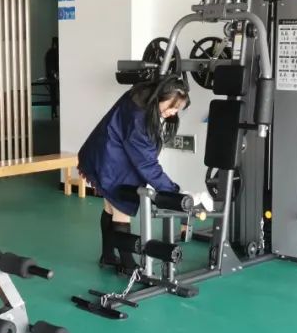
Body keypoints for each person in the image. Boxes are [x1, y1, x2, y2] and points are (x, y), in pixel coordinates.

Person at [78, 76, 195, 273]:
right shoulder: (139, 119)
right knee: (121, 208)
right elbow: (147, 163)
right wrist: (173, 191)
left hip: (103, 151)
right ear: (161, 96)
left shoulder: (142, 95)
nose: (173, 113)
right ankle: (128, 265)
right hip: (110, 161)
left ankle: (108, 256)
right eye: (172, 107)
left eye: (177, 109)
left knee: (110, 207)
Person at [45, 37, 60, 119]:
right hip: (53, 78)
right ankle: (54, 113)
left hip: (53, 77)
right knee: (54, 96)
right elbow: (50, 66)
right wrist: (55, 74)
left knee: (53, 96)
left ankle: (54, 113)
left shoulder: (50, 52)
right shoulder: (52, 52)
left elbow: (49, 67)